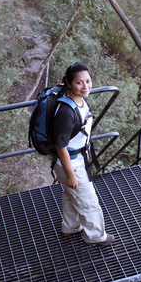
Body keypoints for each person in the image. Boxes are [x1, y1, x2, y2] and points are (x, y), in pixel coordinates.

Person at [53, 62, 115, 246]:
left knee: (71, 194)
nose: (86, 86)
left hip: (77, 158)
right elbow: (60, 146)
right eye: (79, 83)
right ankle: (96, 237)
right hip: (70, 162)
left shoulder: (79, 101)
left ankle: (70, 227)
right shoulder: (66, 112)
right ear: (69, 83)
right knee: (88, 201)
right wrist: (71, 174)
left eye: (88, 81)